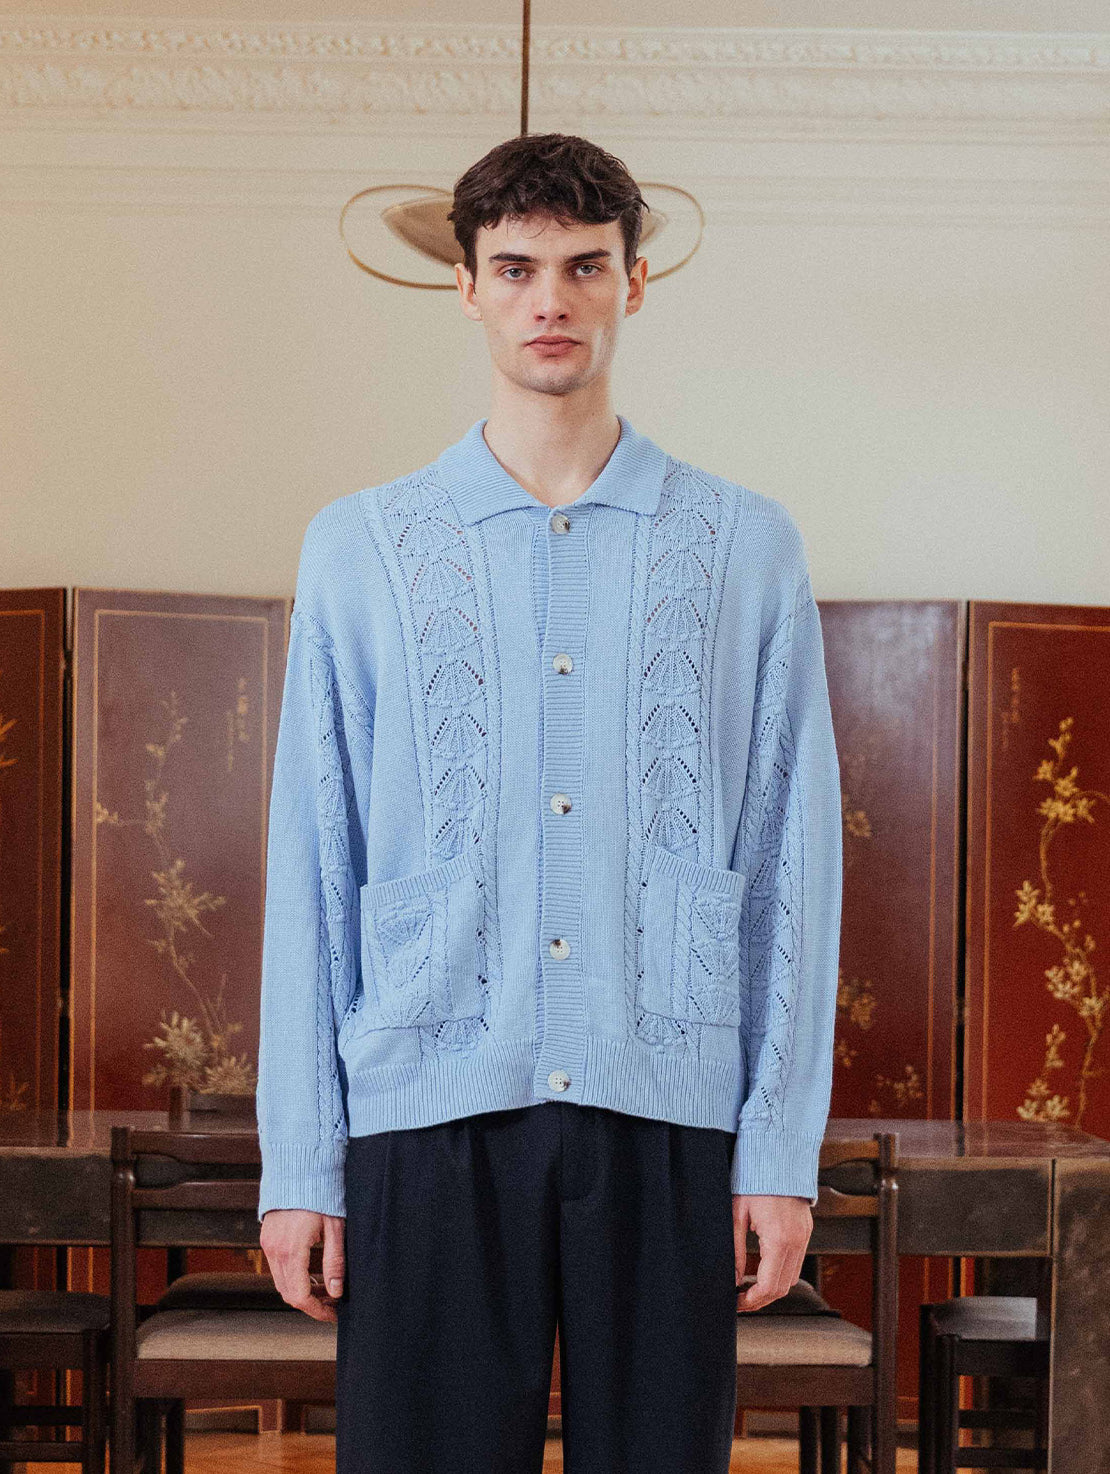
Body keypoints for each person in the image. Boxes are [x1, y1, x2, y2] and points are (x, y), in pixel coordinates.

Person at [256, 132, 843, 1473]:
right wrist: (302, 1162)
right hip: (425, 1107)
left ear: (635, 281)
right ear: (465, 285)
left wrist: (777, 1147)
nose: (550, 299)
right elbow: (314, 858)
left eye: (584, 266)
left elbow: (791, 861)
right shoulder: (361, 547)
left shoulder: (745, 546)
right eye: (516, 267)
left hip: (668, 1108)